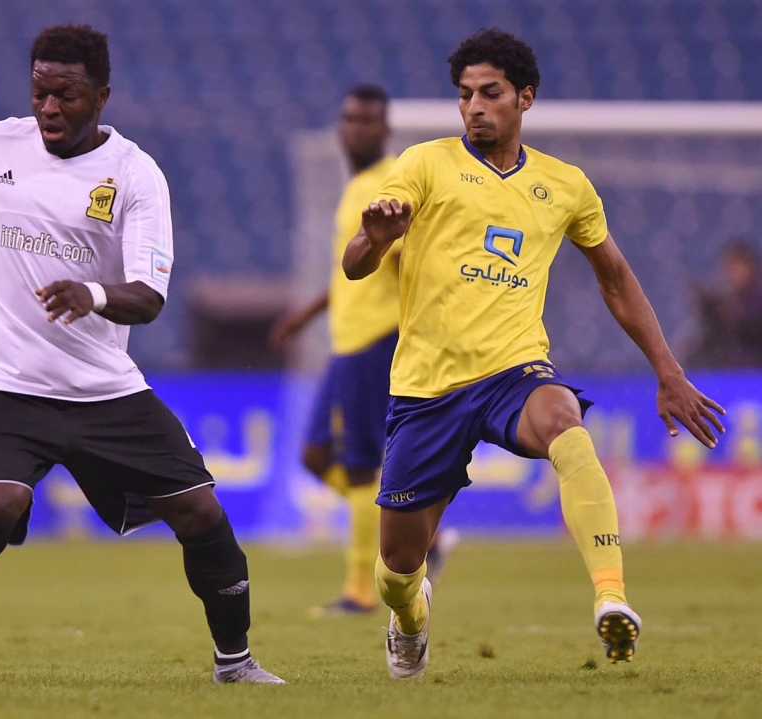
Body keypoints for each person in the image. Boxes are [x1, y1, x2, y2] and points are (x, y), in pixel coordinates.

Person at [0, 25, 283, 685]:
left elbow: (149, 297)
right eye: (39, 92)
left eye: (65, 95)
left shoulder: (135, 175)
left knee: (201, 511)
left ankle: (235, 663)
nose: (48, 108)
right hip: (4, 378)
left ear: (100, 97)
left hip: (102, 388)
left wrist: (92, 294)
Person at [342, 28, 726, 679]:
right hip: (427, 388)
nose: (474, 107)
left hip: (513, 372)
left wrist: (668, 370)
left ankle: (612, 596)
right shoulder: (425, 164)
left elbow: (615, 278)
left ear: (525, 97)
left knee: (566, 426)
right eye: (465, 94)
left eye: (489, 93)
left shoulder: (566, 185)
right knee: (398, 569)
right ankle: (410, 616)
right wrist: (375, 240)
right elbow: (355, 263)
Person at [270, 85, 458, 616]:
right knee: (315, 456)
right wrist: (306, 315)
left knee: (358, 466)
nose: (354, 128)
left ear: (385, 128)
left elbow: (407, 261)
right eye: (348, 118)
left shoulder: (389, 186)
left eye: (366, 120)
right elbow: (354, 269)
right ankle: (421, 536)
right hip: (345, 341)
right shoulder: (356, 186)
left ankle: (359, 591)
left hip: (377, 340)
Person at [686, 239, 762, 369]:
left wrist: (737, 318)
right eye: (730, 266)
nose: (734, 272)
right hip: (723, 370)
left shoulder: (757, 302)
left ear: (751, 267)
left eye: (738, 265)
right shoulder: (720, 303)